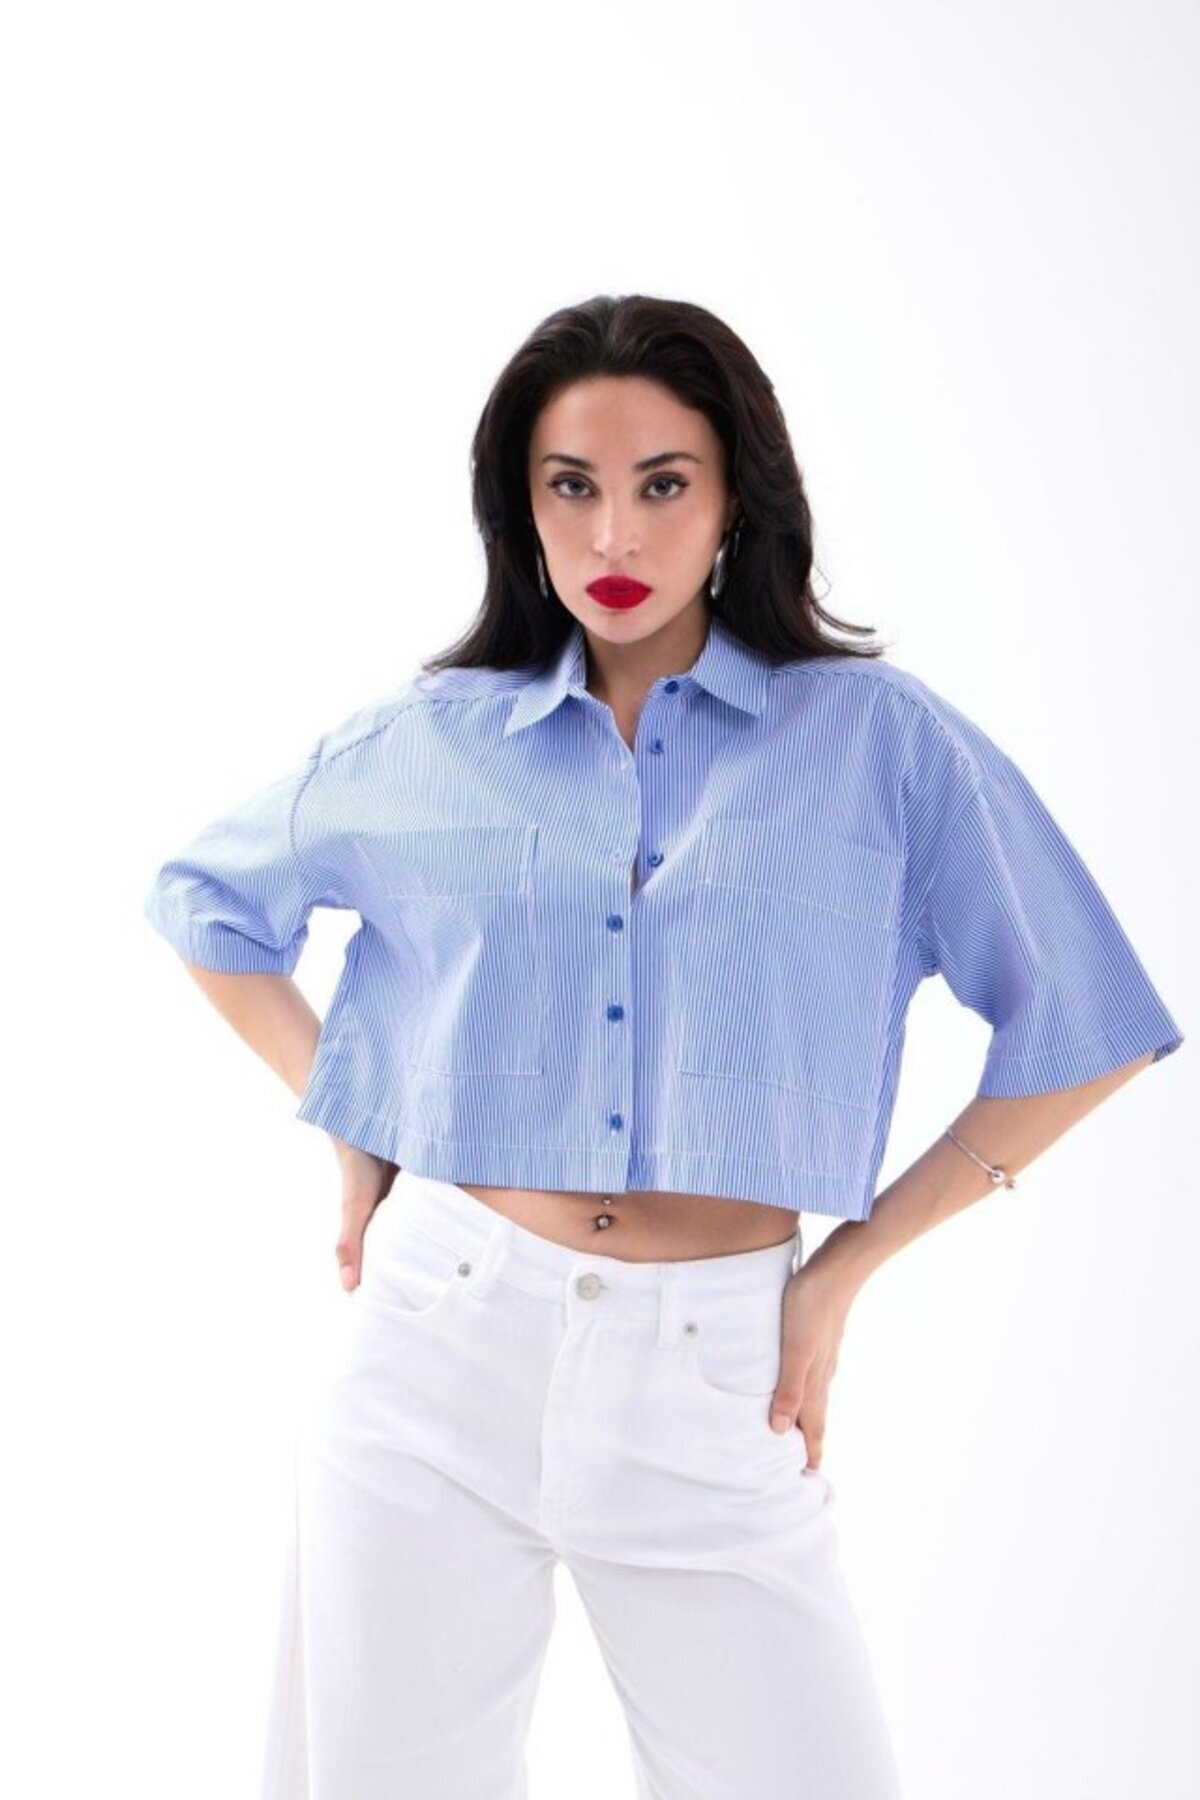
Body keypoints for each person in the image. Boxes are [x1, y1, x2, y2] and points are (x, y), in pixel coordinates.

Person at [143, 293, 1185, 1800]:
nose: (614, 536)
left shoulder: (878, 742)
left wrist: (843, 1271)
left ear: (736, 497)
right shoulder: (432, 741)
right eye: (571, 486)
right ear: (521, 507)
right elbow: (207, 906)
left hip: (718, 1374)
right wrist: (356, 1119)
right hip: (434, 1348)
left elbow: (1083, 1022)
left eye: (662, 484)